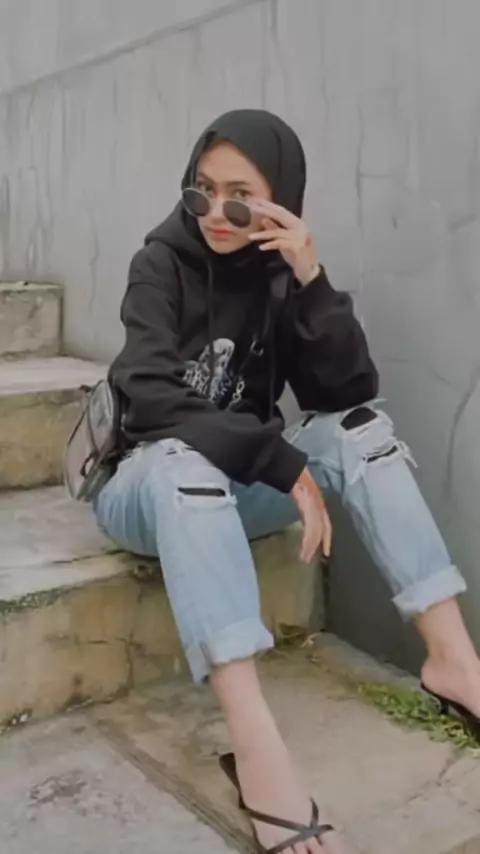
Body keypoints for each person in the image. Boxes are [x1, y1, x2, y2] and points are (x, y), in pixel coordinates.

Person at [94, 109, 480, 854]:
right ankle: (257, 751)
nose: (216, 212)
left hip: (234, 488)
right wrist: (277, 462)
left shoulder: (278, 275)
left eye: (241, 198)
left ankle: (454, 662)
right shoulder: (159, 263)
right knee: (183, 461)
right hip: (143, 485)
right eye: (202, 190)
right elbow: (148, 395)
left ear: (281, 202)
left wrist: (310, 278)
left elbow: (346, 391)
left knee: (361, 429)